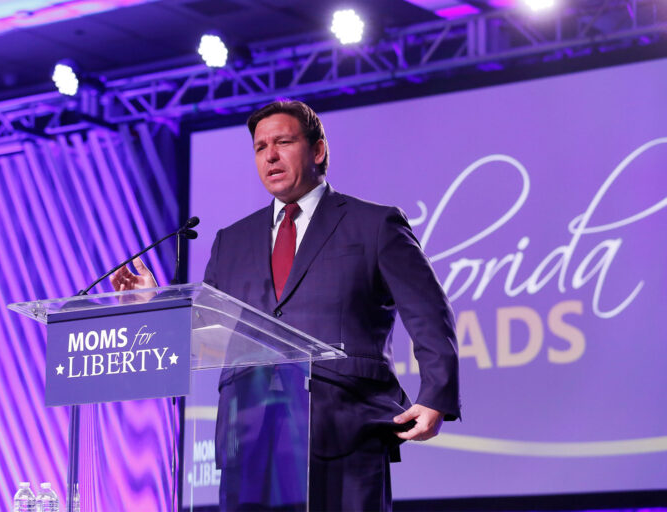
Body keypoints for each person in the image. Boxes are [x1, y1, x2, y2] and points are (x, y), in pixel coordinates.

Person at [112, 100, 460, 511]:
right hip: (250, 438)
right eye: (260, 147)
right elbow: (207, 331)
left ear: (318, 151)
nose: (270, 155)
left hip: (344, 430)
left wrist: (437, 393)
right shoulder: (231, 241)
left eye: (283, 142)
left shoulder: (374, 225)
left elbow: (428, 311)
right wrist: (159, 305)